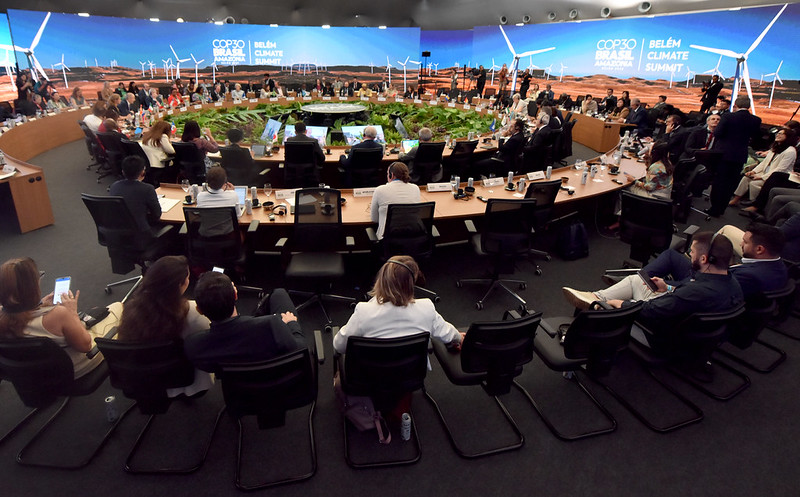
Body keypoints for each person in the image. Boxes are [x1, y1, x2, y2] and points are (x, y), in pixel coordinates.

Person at [562, 232, 743, 347]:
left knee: (610, 307)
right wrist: (669, 288)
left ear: (704, 259)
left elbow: (648, 311)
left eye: (692, 252)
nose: (689, 255)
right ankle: (594, 297)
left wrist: (620, 304)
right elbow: (688, 298)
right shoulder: (732, 282)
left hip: (659, 336)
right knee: (635, 280)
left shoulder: (694, 293)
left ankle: (595, 304)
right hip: (692, 336)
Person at [0, 258, 121, 378]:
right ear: (31, 288)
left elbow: (21, 314)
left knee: (90, 317)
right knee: (118, 307)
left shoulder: (3, 316)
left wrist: (40, 304)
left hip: (33, 374)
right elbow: (86, 346)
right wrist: (72, 312)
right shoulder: (57, 315)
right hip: (73, 369)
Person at [116, 255, 213, 397]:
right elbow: (208, 345)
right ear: (181, 284)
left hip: (143, 379)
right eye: (188, 277)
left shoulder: (131, 310)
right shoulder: (195, 314)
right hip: (184, 380)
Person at [333, 256, 463, 355]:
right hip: (410, 378)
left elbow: (339, 346)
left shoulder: (364, 311)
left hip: (371, 379)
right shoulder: (426, 308)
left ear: (382, 280)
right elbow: (450, 335)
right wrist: (459, 338)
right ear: (411, 284)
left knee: (340, 382)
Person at [184, 271, 307, 372]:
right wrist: (291, 323)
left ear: (199, 310)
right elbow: (300, 349)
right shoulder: (273, 325)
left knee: (277, 294)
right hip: (281, 383)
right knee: (279, 294)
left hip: (241, 395)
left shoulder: (194, 346)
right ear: (236, 295)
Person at [707, 96, 762, 217]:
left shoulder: (728, 117)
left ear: (735, 104)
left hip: (723, 154)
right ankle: (721, 208)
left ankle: (714, 208)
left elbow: (717, 133)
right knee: (730, 184)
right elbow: (756, 138)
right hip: (739, 155)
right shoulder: (756, 120)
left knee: (719, 182)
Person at [731, 128, 797, 206]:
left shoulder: (790, 151)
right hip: (765, 172)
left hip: (777, 178)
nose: (778, 135)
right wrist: (754, 171)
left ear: (788, 137)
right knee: (746, 178)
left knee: (754, 184)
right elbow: (764, 162)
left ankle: (755, 205)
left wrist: (761, 177)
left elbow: (780, 169)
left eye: (781, 134)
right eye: (778, 133)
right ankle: (736, 199)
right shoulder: (775, 147)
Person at [109, 156, 162, 234]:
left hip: (118, 235)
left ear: (123, 172)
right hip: (142, 236)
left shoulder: (114, 186)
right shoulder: (147, 189)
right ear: (142, 172)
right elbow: (157, 215)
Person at [370, 162, 421, 240]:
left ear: (392, 175)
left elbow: (374, 219)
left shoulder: (380, 190)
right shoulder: (415, 188)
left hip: (387, 240)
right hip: (412, 238)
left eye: (387, 173)